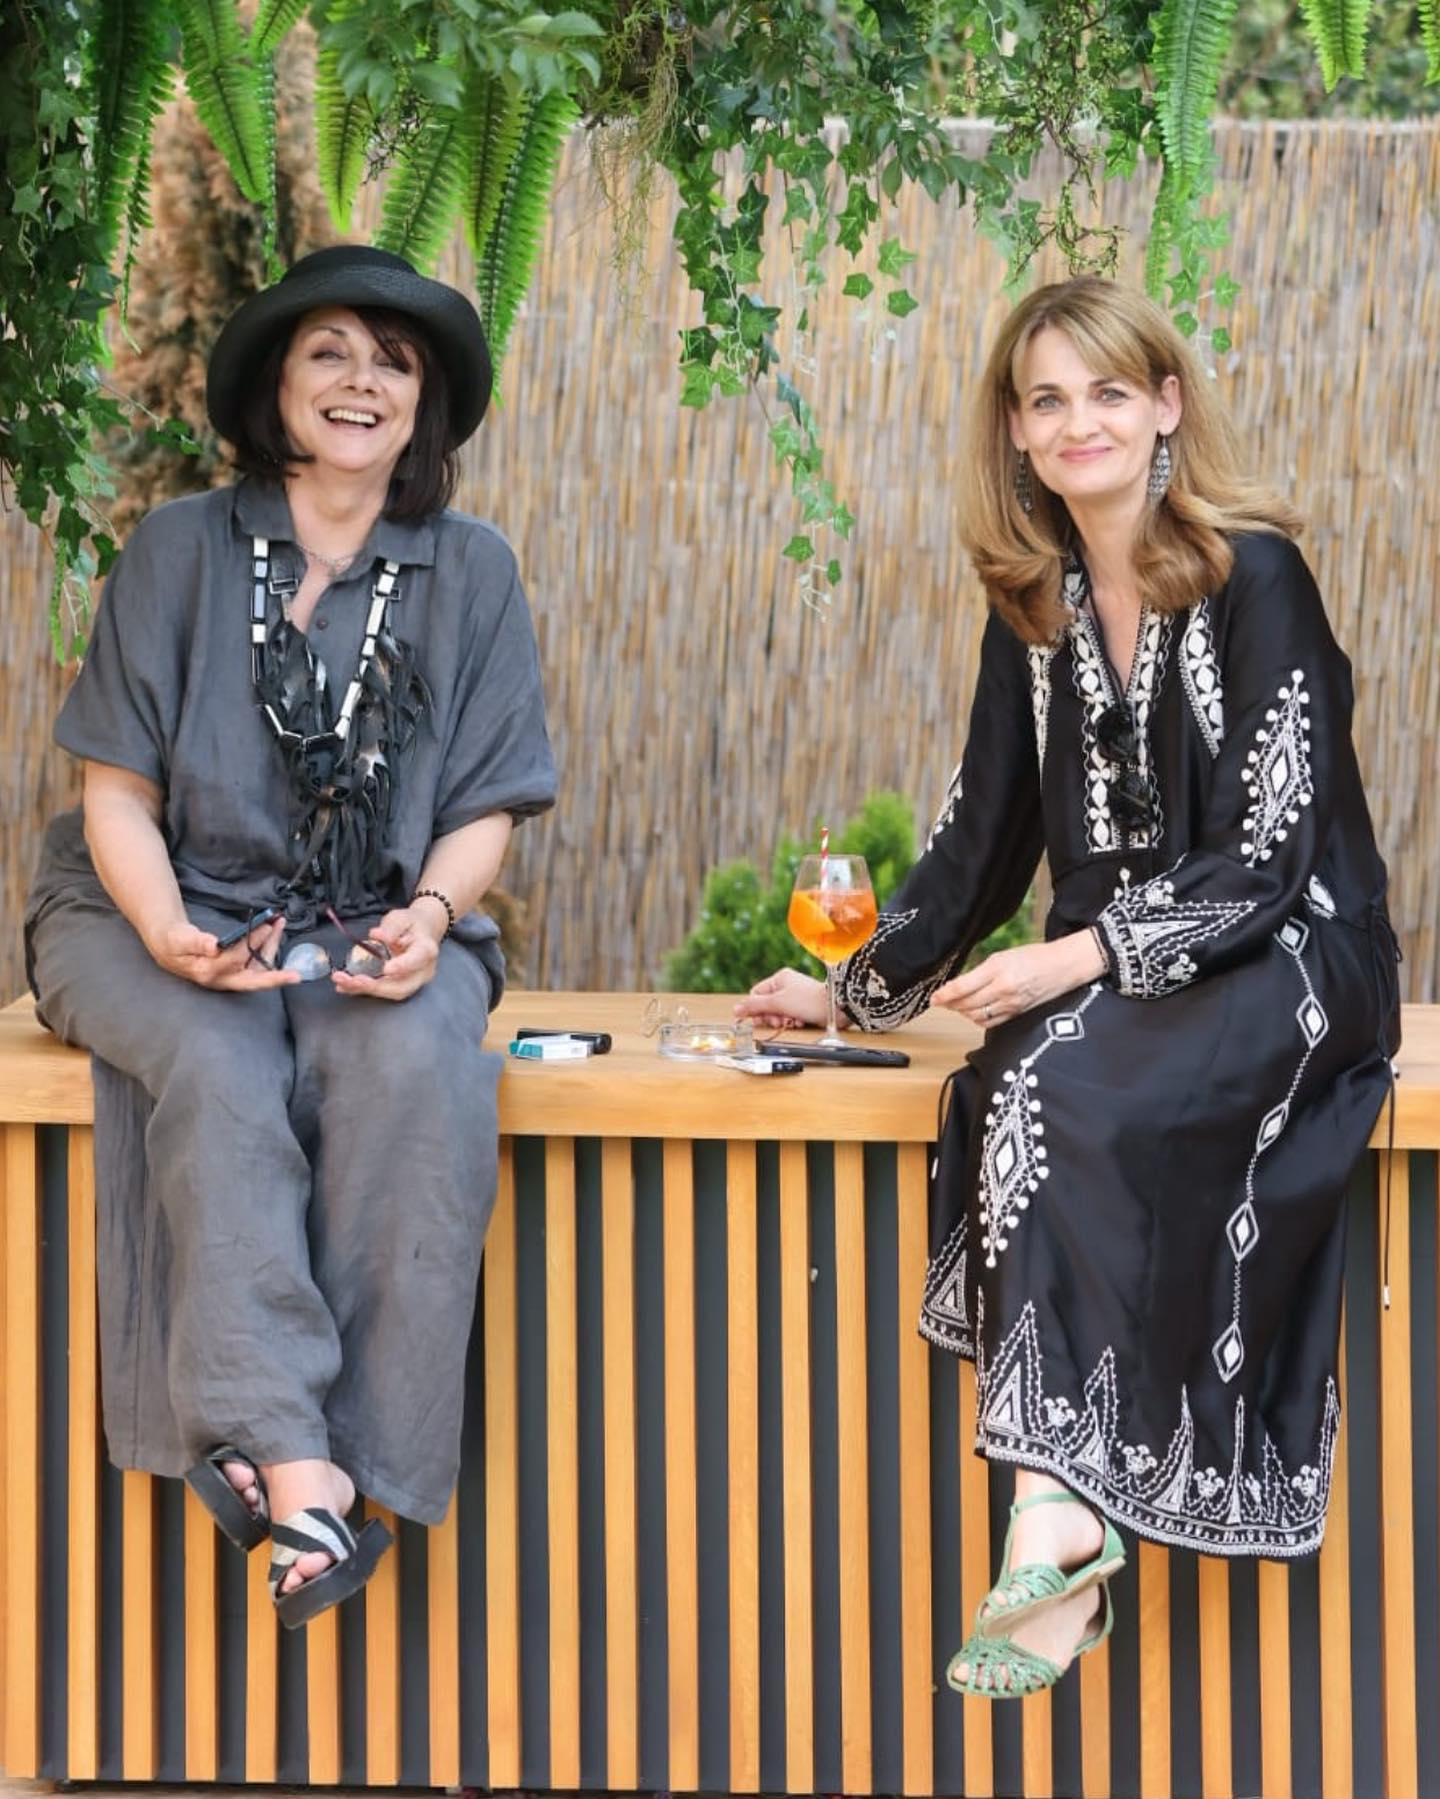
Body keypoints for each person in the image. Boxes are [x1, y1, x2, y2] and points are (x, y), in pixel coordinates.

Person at [737, 276, 1400, 1696]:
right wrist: (855, 989)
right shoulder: (1031, 608)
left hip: (1294, 949)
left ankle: (1059, 1516)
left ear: (1165, 406)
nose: (1078, 421)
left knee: (1052, 1069)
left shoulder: (1256, 575)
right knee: (1018, 1077)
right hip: (1125, 983)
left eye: (1108, 391)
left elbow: (1271, 849)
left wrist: (1082, 954)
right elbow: (980, 840)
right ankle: (1058, 1525)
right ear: (1016, 432)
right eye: (1047, 399)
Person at [23, 246, 556, 1626]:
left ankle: (347, 1463)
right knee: (219, 1059)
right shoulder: (180, 548)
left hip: (375, 917)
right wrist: (167, 931)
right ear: (278, 385)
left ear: (423, 404)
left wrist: (430, 920)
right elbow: (116, 794)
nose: (362, 380)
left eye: (394, 360)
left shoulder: (474, 571)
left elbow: (487, 806)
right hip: (141, 902)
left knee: (412, 1066)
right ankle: (292, 1460)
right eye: (330, 351)